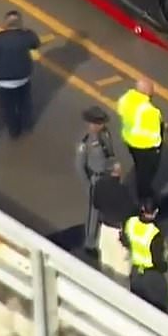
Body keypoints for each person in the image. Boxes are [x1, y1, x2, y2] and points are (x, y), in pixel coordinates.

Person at [0, 10, 40, 138]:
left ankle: (14, 131)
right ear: (20, 24)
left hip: (3, 80)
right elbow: (36, 44)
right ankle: (27, 125)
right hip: (23, 77)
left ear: (5, 24)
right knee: (24, 102)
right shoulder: (26, 36)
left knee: (8, 107)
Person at [74, 106, 117, 259]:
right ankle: (90, 243)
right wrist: (88, 187)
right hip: (95, 180)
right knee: (94, 213)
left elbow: (110, 153)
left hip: (107, 176)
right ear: (91, 124)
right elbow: (80, 167)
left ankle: (103, 237)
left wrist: (114, 168)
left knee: (106, 210)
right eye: (98, 123)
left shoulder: (105, 133)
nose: (101, 126)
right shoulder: (85, 142)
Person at [116, 78, 163, 204]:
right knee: (146, 172)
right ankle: (144, 195)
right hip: (145, 146)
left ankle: (142, 190)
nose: (153, 92)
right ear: (146, 91)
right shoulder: (150, 111)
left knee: (139, 166)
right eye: (151, 89)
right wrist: (157, 149)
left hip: (130, 140)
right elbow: (156, 136)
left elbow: (120, 111)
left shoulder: (125, 98)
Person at [91, 162, 137, 283]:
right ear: (116, 172)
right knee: (121, 271)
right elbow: (129, 211)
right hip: (118, 231)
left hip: (104, 229)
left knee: (106, 266)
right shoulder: (122, 191)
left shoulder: (99, 185)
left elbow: (96, 204)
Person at [121, 199, 168, 312]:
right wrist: (164, 267)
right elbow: (157, 259)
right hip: (151, 273)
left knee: (137, 303)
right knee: (158, 306)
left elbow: (125, 240)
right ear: (155, 212)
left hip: (135, 270)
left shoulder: (131, 222)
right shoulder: (154, 233)